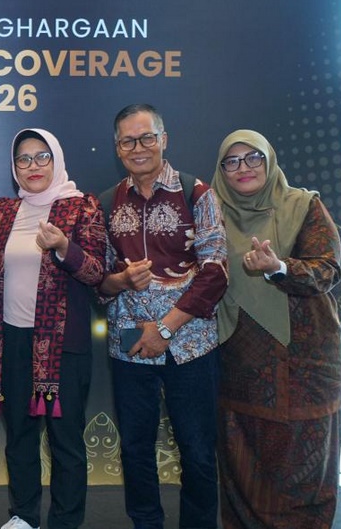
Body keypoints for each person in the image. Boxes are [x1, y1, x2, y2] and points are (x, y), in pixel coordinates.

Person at [98, 103, 227, 529]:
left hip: (190, 344)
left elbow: (216, 272)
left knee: (197, 450)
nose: (138, 148)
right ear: (118, 148)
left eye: (147, 138)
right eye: (128, 141)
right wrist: (119, 280)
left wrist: (166, 329)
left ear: (163, 140)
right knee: (135, 449)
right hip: (130, 345)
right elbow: (99, 282)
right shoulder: (106, 202)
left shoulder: (196, 193)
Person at [210, 130, 341, 529]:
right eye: (232, 161)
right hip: (240, 367)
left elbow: (327, 269)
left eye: (253, 158)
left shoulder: (304, 206)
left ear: (269, 160)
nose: (244, 168)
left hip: (305, 366)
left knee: (302, 470)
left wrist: (279, 267)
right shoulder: (210, 212)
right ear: (221, 169)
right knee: (241, 464)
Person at [0, 129, 107, 529]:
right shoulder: (5, 210)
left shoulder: (81, 206)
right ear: (14, 166)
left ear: (56, 159)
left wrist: (65, 248)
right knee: (19, 436)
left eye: (41, 157)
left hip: (62, 344)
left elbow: (97, 273)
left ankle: (66, 521)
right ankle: (23, 516)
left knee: (65, 440)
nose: (32, 166)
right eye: (23, 159)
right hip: (12, 339)